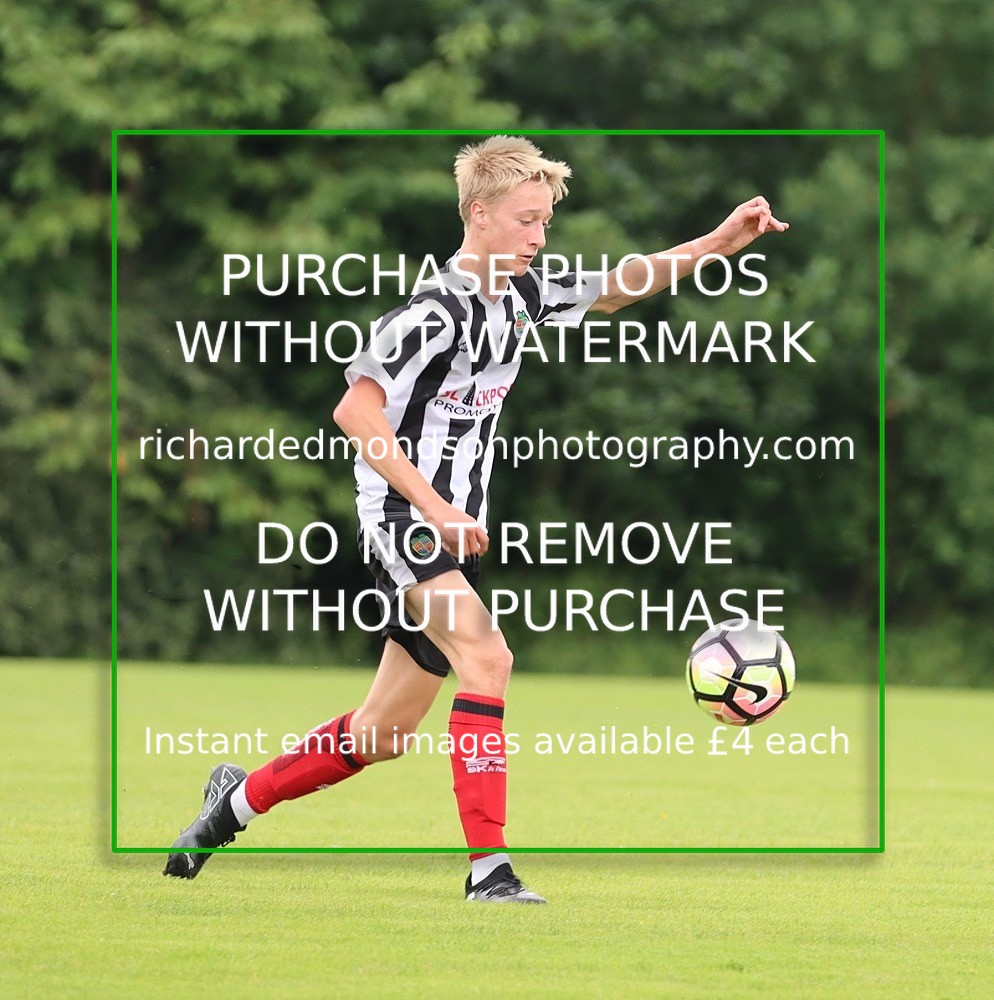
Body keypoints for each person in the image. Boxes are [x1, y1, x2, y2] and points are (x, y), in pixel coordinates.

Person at [163, 136, 788, 901]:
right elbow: (355, 413)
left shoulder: (521, 294)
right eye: (527, 221)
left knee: (380, 735)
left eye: (547, 223)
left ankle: (227, 806)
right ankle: (489, 871)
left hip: (450, 531)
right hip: (405, 517)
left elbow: (618, 286)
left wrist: (722, 241)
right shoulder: (429, 312)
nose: (539, 237)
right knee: (488, 660)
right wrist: (435, 506)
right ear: (479, 214)